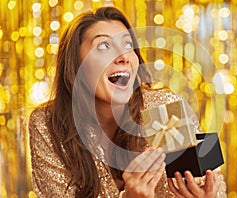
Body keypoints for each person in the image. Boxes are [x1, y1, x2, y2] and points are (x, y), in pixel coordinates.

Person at [28, 6, 226, 198]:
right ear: (76, 64)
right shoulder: (48, 124)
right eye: (104, 46)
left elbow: (203, 183)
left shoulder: (163, 108)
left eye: (128, 45)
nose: (123, 57)